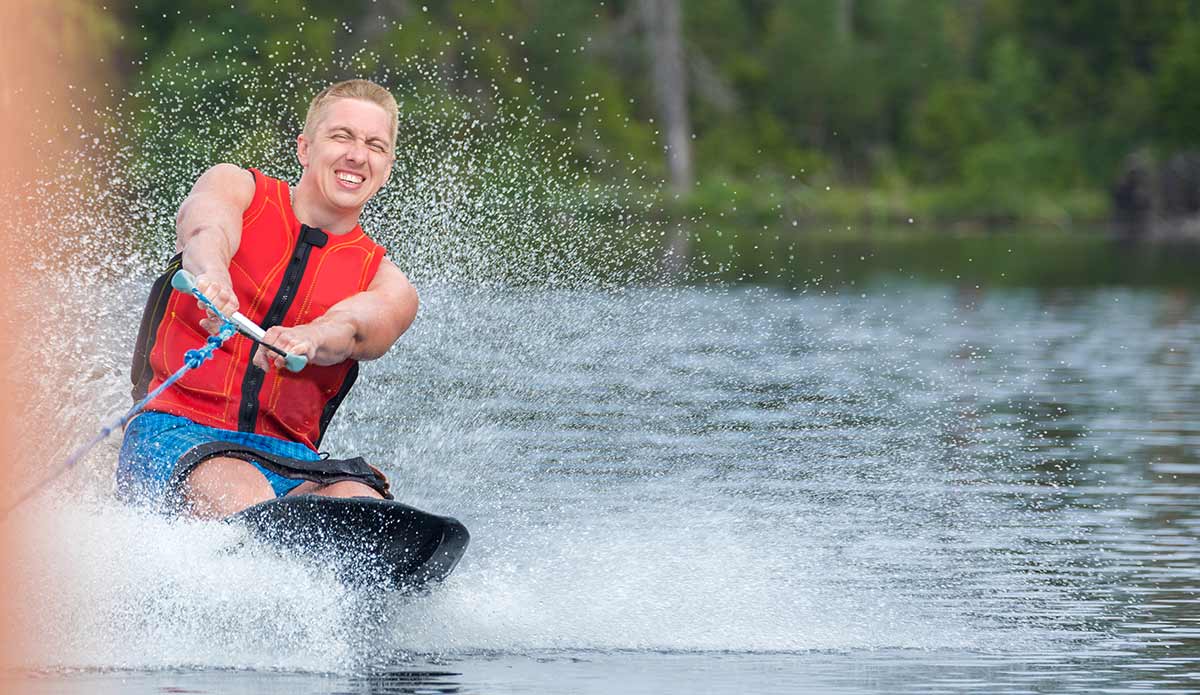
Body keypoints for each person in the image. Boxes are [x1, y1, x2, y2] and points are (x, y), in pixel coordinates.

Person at [118, 79, 418, 519]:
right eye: (342, 137)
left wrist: (311, 338)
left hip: (289, 459)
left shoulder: (389, 283)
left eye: (375, 145)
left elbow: (355, 326)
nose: (357, 154)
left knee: (359, 505)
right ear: (305, 149)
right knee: (241, 486)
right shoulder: (236, 187)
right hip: (173, 431)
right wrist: (213, 276)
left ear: (387, 166)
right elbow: (206, 229)